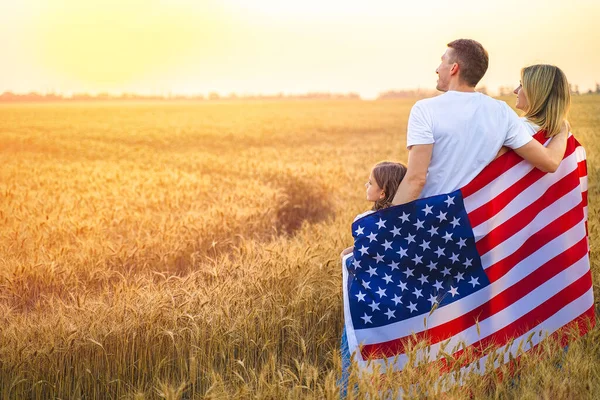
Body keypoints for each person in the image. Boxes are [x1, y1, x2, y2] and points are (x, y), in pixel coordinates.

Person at [392, 39, 569, 205]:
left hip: (431, 218)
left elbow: (416, 180)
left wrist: (386, 226)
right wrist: (563, 129)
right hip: (473, 224)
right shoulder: (502, 112)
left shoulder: (424, 109)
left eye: (442, 61)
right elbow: (549, 162)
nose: (437, 69)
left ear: (454, 68)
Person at [340, 161, 407, 259]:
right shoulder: (408, 217)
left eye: (370, 183)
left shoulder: (363, 220)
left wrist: (344, 256)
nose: (366, 185)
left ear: (382, 193)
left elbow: (362, 255)